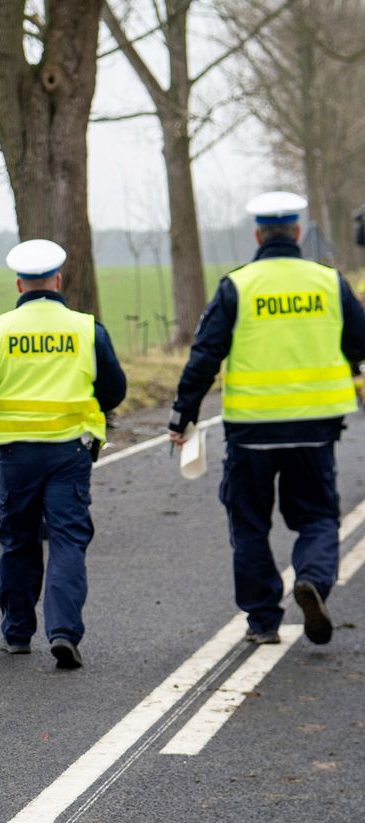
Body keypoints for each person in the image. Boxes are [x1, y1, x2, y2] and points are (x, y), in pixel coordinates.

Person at [168, 191, 365, 646]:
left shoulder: (238, 285)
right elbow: (360, 340)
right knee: (317, 515)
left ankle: (262, 620)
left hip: (251, 429)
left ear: (258, 234)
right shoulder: (328, 282)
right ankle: (313, 577)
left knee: (250, 522)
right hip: (316, 427)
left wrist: (183, 415)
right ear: (297, 233)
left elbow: (205, 356)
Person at [0, 239, 126, 669]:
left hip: (16, 456)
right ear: (58, 280)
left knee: (18, 541)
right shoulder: (85, 328)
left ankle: (18, 633)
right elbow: (114, 389)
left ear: (19, 283)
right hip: (70, 453)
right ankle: (64, 632)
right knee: (67, 541)